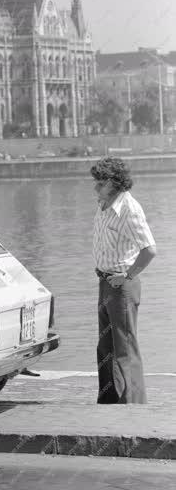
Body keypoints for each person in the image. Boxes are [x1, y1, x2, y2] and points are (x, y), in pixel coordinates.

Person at [91, 157, 156, 404]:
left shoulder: (129, 209)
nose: (95, 186)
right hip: (105, 282)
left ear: (113, 183)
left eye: (100, 182)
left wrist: (127, 276)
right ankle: (109, 402)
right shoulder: (104, 203)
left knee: (125, 347)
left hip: (122, 286)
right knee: (106, 347)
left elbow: (149, 249)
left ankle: (133, 405)